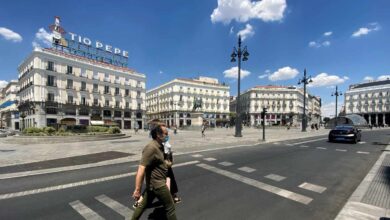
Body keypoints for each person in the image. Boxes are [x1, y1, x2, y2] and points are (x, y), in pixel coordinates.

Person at [131, 123, 177, 220]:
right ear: (158, 135)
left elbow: (166, 165)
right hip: (158, 184)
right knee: (170, 207)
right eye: (165, 133)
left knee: (142, 205)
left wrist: (169, 154)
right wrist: (137, 190)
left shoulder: (160, 146)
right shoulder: (151, 148)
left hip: (153, 185)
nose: (167, 136)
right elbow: (141, 169)